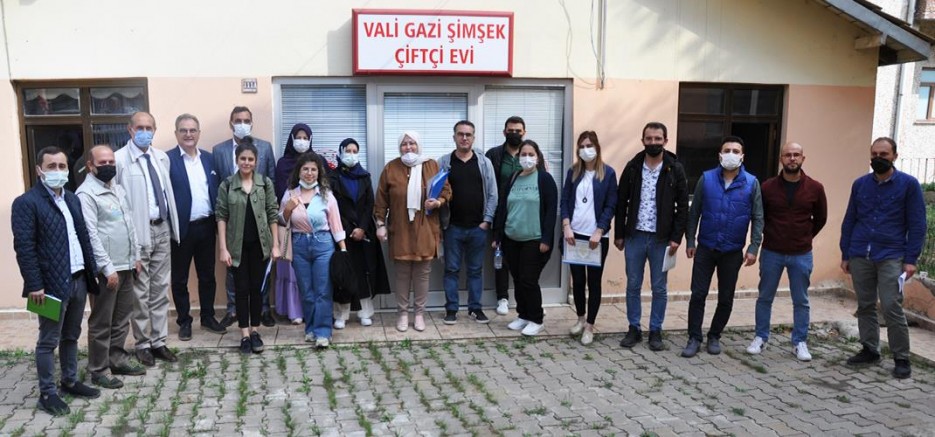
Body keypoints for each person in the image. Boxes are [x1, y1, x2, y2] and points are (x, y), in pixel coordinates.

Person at [13, 147, 101, 416]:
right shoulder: (26, 203)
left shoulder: (72, 199)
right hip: (48, 286)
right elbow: (24, 248)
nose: (58, 171)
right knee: (48, 340)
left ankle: (70, 381)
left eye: (62, 166)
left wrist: (91, 272)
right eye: (51, 166)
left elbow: (83, 238)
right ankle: (47, 393)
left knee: (71, 335)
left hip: (77, 279)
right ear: (39, 170)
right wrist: (34, 284)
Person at [840, 137, 927, 379]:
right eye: (875, 154)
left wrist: (911, 259)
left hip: (891, 254)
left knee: (891, 306)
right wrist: (846, 253)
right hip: (860, 253)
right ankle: (870, 349)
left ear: (894, 156)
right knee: (865, 305)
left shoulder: (909, 185)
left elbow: (917, 224)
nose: (878, 158)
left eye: (884, 154)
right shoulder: (860, 184)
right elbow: (850, 219)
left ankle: (901, 357)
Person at [682, 136, 763, 358]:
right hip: (706, 248)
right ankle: (694, 337)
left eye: (735, 151)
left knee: (726, 297)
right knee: (698, 294)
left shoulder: (751, 183)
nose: (731, 154)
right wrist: (690, 240)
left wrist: (754, 247)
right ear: (720, 154)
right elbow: (694, 212)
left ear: (742, 156)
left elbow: (758, 217)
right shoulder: (706, 179)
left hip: (732, 251)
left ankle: (714, 335)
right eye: (727, 150)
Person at [747, 142, 827, 361]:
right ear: (781, 159)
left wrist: (805, 236)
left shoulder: (815, 188)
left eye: (796, 155)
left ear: (803, 158)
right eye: (788, 155)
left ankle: (799, 342)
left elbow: (821, 218)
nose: (792, 158)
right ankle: (760, 337)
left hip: (801, 253)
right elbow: (759, 217)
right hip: (772, 252)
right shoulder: (767, 187)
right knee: (765, 297)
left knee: (801, 300)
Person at [77, 145, 147, 390]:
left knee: (122, 317)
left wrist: (136, 256)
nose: (108, 166)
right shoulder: (86, 194)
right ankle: (98, 369)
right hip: (106, 270)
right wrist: (107, 268)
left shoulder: (116, 188)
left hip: (126, 263)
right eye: (102, 163)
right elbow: (91, 235)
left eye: (111, 162)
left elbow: (129, 223)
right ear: (90, 166)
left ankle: (117, 359)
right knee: (101, 321)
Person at [614, 122, 689, 351]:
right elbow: (621, 202)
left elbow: (682, 207)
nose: (653, 142)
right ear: (643, 141)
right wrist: (619, 234)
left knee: (659, 287)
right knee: (633, 284)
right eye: (649, 139)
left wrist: (676, 237)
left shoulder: (675, 169)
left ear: (665, 141)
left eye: (658, 139)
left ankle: (655, 330)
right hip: (634, 237)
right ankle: (634, 328)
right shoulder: (633, 167)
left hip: (661, 239)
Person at [114, 111, 180, 367]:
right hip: (138, 233)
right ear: (130, 130)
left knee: (161, 289)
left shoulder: (161, 157)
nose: (144, 132)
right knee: (140, 293)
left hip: (161, 228)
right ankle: (142, 344)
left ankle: (159, 341)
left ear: (155, 130)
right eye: (139, 127)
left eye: (149, 127)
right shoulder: (120, 160)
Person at [374, 131, 451, 332]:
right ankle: (402, 313)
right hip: (400, 229)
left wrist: (438, 202)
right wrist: (380, 224)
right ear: (399, 147)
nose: (408, 147)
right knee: (402, 275)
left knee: (422, 274)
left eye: (412, 143)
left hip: (426, 229)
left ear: (419, 145)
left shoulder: (431, 165)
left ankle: (419, 314)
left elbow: (446, 191)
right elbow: (381, 201)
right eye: (404, 144)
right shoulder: (391, 168)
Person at [213, 106, 278, 328]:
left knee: (260, 278)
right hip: (234, 224)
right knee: (236, 277)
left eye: (246, 120)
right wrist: (223, 244)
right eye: (238, 120)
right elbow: (219, 197)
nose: (242, 124)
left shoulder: (265, 148)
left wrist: (274, 240)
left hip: (259, 224)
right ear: (231, 123)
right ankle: (234, 311)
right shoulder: (219, 151)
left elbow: (271, 185)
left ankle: (263, 310)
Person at [216, 140, 281, 354]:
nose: (246, 162)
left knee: (257, 289)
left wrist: (275, 244)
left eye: (250, 159)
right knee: (241, 290)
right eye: (242, 158)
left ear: (256, 161)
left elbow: (272, 213)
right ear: (237, 160)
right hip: (237, 248)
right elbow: (221, 216)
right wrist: (223, 248)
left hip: (260, 246)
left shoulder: (265, 184)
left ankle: (255, 332)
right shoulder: (227, 185)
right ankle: (244, 334)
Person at [167, 114, 226, 340]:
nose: (188, 134)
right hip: (181, 229)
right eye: (183, 130)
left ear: (199, 133)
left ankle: (208, 316)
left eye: (192, 130)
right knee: (180, 278)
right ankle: (184, 320)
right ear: (176, 134)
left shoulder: (209, 159)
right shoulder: (167, 160)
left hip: (206, 226)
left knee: (207, 276)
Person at [281, 153, 348, 348]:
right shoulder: (290, 194)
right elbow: (281, 221)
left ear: (319, 173)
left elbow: (336, 224)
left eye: (313, 169)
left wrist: (343, 250)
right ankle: (310, 329)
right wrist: (288, 209)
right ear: (299, 172)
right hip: (299, 244)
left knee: (323, 291)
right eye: (305, 169)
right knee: (306, 291)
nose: (309, 173)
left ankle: (323, 332)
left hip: (323, 244)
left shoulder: (326, 195)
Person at [493, 140, 557, 337]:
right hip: (512, 237)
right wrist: (498, 235)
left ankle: (536, 319)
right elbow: (503, 207)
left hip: (534, 239)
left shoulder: (544, 179)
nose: (527, 158)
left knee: (529, 280)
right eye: (523, 154)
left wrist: (546, 239)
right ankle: (523, 315)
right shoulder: (513, 178)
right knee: (518, 279)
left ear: (537, 157)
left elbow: (550, 211)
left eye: (531, 154)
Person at [438, 120, 498, 325]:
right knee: (451, 270)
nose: (464, 138)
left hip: (477, 228)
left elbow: (493, 194)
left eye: (468, 134)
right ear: (454, 137)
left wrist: (487, 220)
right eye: (460, 134)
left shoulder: (484, 163)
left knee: (475, 270)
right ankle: (451, 309)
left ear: (473, 137)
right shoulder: (444, 162)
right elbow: (436, 191)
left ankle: (475, 308)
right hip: (452, 227)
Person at [561, 131, 618, 345]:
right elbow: (565, 200)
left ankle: (590, 326)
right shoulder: (573, 172)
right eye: (582, 146)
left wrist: (600, 230)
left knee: (594, 282)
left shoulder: (608, 173)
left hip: (597, 238)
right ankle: (580, 319)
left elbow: (611, 204)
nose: (586, 150)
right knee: (577, 281)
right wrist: (566, 226)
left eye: (589, 145)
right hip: (574, 236)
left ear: (597, 147)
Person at [330, 138, 391, 328]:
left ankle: (365, 312)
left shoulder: (364, 176)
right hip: (342, 233)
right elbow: (333, 206)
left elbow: (369, 203)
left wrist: (362, 228)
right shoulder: (332, 177)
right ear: (340, 152)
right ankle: (341, 314)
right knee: (343, 274)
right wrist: (349, 229)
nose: (351, 154)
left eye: (355, 151)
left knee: (364, 273)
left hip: (364, 233)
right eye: (348, 150)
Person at [485, 116, 544, 315]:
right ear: (504, 132)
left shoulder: (530, 154)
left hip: (527, 216)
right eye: (510, 130)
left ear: (524, 132)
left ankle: (531, 301)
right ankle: (502, 297)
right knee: (500, 257)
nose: (514, 134)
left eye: (518, 131)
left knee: (527, 264)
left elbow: (541, 181)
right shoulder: (494, 154)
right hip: (501, 213)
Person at [274, 123, 314, 325]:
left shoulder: (317, 161)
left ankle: (310, 310)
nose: (302, 141)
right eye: (298, 137)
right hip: (289, 225)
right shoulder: (282, 164)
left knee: (311, 273)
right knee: (291, 271)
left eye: (305, 138)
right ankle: (293, 310)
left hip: (311, 226)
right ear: (291, 139)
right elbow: (278, 192)